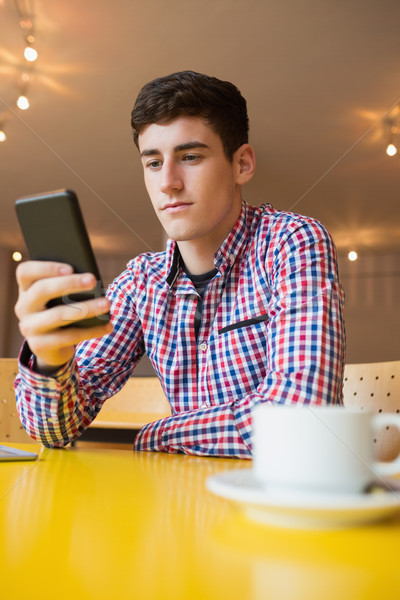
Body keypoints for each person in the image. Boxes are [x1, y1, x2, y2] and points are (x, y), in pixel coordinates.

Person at [14, 71, 345, 458]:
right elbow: (53, 432)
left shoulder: (293, 241)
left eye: (190, 157)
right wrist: (51, 361)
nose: (168, 182)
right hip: (184, 503)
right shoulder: (142, 282)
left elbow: (299, 422)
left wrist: (159, 435)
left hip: (286, 503)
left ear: (242, 164)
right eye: (153, 163)